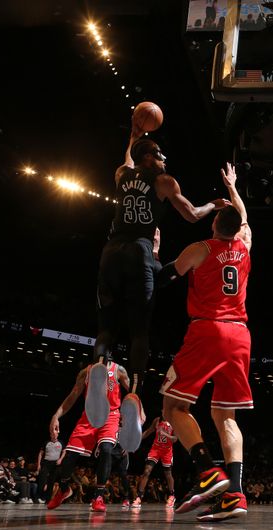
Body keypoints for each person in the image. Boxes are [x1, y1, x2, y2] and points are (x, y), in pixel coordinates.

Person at [85, 120, 231, 454]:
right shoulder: (164, 181)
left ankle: (99, 365)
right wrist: (215, 205)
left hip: (110, 252)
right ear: (151, 157)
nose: (164, 157)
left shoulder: (122, 175)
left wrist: (134, 135)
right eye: (160, 153)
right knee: (139, 330)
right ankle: (134, 393)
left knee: (106, 324)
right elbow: (193, 215)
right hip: (140, 252)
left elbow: (128, 157)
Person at [160, 162, 252, 522]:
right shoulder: (245, 245)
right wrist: (233, 188)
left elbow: (167, 276)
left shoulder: (201, 247)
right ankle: (236, 495)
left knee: (172, 408)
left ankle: (208, 471)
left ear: (215, 223)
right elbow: (242, 216)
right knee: (224, 415)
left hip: (208, 328)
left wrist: (152, 258)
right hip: (240, 336)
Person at [47, 361, 130, 512]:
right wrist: (56, 416)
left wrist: (137, 412)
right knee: (69, 457)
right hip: (89, 416)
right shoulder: (85, 372)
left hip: (111, 416)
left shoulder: (119, 370)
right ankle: (64, 489)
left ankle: (98, 496)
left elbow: (133, 394)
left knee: (106, 449)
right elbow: (73, 396)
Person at [131, 415, 177, 509]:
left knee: (168, 474)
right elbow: (148, 431)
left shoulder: (174, 421)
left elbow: (175, 439)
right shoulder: (157, 420)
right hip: (155, 449)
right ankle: (139, 497)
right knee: (146, 471)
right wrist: (137, 440)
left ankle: (172, 495)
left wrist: (165, 434)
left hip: (167, 451)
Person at [37, 428, 63, 503]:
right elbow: (40, 453)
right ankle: (39, 497)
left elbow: (64, 451)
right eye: (53, 434)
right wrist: (39, 464)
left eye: (56, 434)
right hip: (46, 463)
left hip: (55, 464)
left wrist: (60, 459)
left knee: (51, 482)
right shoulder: (46, 442)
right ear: (50, 435)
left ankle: (47, 499)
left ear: (57, 434)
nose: (54, 435)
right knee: (42, 480)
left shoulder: (61, 443)